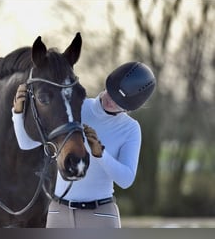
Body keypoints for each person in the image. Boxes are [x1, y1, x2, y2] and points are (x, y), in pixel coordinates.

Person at [11, 62, 156, 228]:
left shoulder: (130, 129)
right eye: (111, 94)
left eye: (119, 103)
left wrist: (101, 154)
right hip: (59, 212)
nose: (111, 102)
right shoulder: (75, 108)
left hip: (100, 214)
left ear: (130, 107)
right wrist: (17, 115)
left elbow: (126, 179)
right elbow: (26, 144)